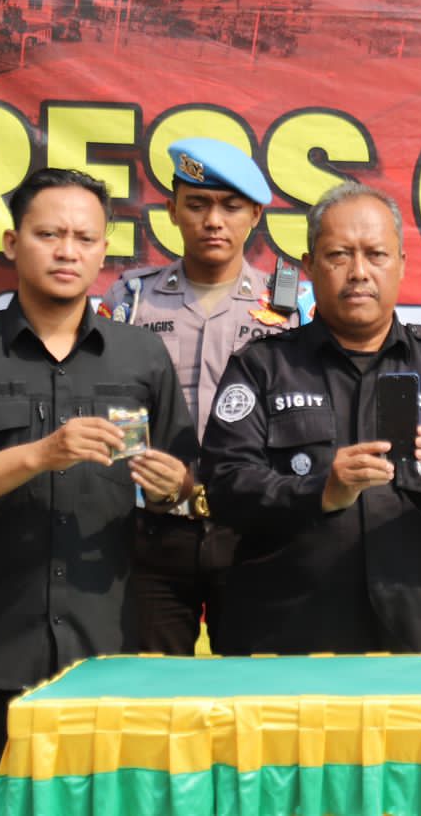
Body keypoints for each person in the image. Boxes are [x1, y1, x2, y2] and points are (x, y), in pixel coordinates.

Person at [0, 168, 194, 816]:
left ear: (105, 253)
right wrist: (36, 455)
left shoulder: (142, 358)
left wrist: (176, 489)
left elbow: (183, 482)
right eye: (49, 234)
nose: (66, 251)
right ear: (12, 242)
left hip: (102, 655)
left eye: (84, 237)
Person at [199, 181, 421, 654]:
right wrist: (321, 491)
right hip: (288, 639)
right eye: (339, 255)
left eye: (376, 255)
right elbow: (224, 487)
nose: (359, 272)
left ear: (401, 264)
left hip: (419, 640)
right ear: (309, 266)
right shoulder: (262, 367)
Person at [102, 137, 307, 655]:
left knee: (254, 686)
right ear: (171, 211)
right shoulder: (131, 300)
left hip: (254, 531)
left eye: (231, 206)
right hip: (155, 528)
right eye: (197, 204)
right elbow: (113, 403)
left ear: (255, 215)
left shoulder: (292, 304)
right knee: (152, 686)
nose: (213, 221)